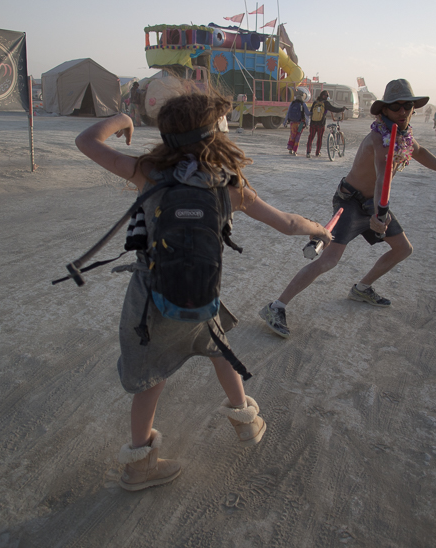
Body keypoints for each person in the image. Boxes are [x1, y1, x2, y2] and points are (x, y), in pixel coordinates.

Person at [75, 87, 331, 490]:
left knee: (150, 377)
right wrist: (320, 229)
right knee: (219, 348)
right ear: (215, 135)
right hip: (201, 293)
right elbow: (287, 223)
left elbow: (85, 141)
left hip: (151, 298)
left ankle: (140, 463)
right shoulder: (231, 188)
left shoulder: (146, 172)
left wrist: (123, 120)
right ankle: (245, 420)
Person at [259, 79, 436, 338]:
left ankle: (362, 289)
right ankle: (276, 306)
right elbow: (381, 177)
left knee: (403, 249)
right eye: (396, 106)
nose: (402, 111)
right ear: (383, 110)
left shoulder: (404, 137)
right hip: (352, 202)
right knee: (329, 260)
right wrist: (378, 214)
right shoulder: (379, 138)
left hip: (374, 203)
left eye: (407, 106)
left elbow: (419, 151)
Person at [306, 90, 346, 158]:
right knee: (319, 138)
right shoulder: (326, 103)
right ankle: (317, 152)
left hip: (313, 123)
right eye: (327, 95)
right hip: (321, 124)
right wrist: (342, 109)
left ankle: (308, 152)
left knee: (311, 137)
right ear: (325, 96)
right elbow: (333, 109)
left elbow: (311, 112)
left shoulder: (315, 102)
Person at [284, 90, 311, 156]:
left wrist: (285, 122)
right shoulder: (303, 104)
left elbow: (288, 113)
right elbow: (307, 113)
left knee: (292, 135)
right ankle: (294, 151)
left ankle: (290, 149)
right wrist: (312, 113)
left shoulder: (292, 103)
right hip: (300, 123)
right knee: (297, 137)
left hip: (292, 123)